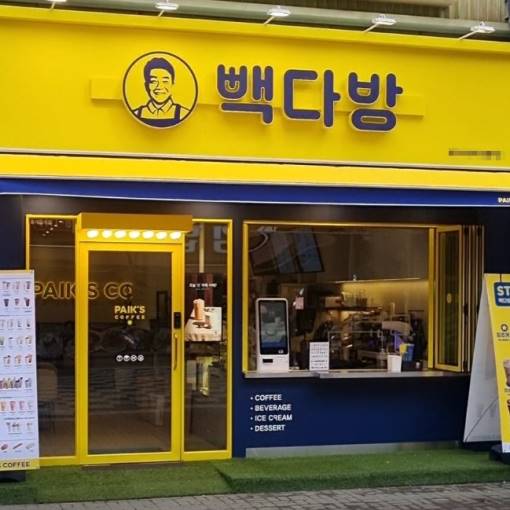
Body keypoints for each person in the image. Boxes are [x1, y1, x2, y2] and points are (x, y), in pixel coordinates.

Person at [133, 57, 189, 127]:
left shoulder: (183, 113)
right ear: (146, 85)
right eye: (154, 81)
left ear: (172, 84)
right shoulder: (137, 113)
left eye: (165, 81)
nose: (159, 86)